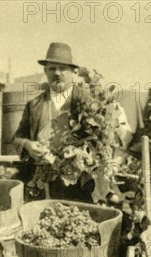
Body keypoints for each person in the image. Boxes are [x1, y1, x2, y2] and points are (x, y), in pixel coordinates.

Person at [12, 42, 130, 202]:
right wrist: (27, 145)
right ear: (45, 71)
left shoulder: (90, 101)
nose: (57, 73)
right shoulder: (34, 105)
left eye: (62, 68)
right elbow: (18, 136)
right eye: (52, 68)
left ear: (73, 72)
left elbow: (111, 135)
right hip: (44, 181)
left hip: (82, 183)